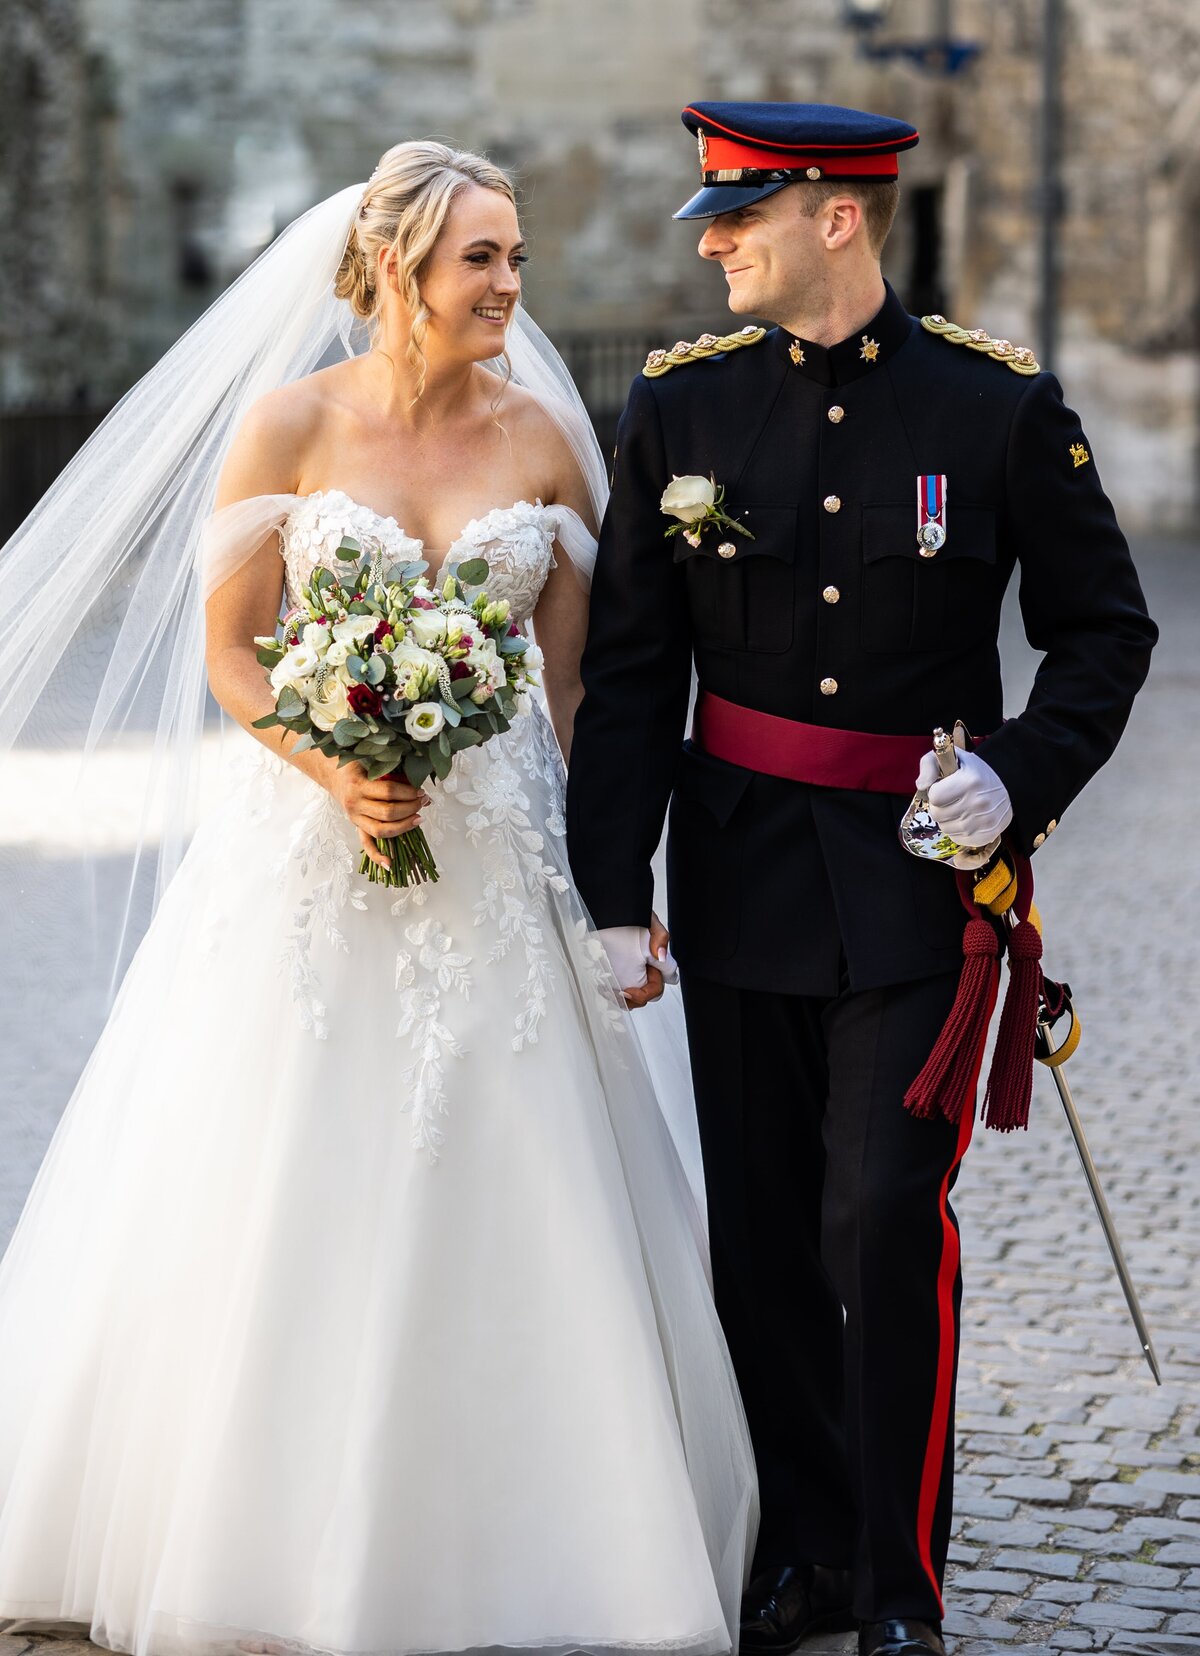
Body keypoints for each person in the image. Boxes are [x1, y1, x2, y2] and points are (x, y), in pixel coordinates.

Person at [0, 142, 756, 1656]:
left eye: (518, 259)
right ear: (396, 267)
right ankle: (255, 1531)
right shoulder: (287, 427)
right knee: (271, 1163)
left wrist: (610, 891)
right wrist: (331, 764)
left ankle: (537, 1530)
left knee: (516, 1160)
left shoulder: (545, 439)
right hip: (309, 853)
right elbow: (233, 653)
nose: (511, 288)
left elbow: (581, 692)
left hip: (496, 862)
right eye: (484, 259)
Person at [566, 101, 1157, 1656]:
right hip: (744, 873)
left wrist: (1018, 780)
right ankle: (810, 1552)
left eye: (738, 217)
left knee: (883, 1221)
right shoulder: (683, 411)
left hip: (920, 889)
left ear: (837, 217)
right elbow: (632, 674)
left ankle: (904, 1587)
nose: (709, 244)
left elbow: (1110, 632)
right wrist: (612, 890)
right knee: (762, 1242)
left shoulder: (996, 410)